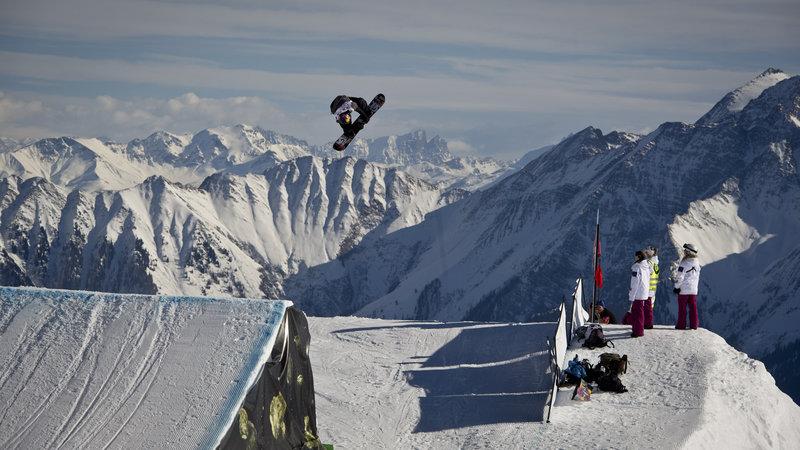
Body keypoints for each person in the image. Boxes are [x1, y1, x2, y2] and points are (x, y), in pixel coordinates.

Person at [674, 243, 701, 330]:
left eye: (685, 250)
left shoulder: (684, 263)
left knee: (682, 308)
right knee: (693, 308)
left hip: (684, 289)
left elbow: (679, 276)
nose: (684, 252)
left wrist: (677, 287)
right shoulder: (697, 263)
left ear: (689, 252)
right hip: (693, 289)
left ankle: (681, 325)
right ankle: (694, 325)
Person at [629, 250, 650, 337]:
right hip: (644, 292)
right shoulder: (646, 267)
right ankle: (637, 329)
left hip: (638, 293)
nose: (635, 257)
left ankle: (638, 331)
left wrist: (631, 295)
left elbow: (635, 282)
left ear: (639, 257)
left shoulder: (637, 267)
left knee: (637, 313)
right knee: (639, 312)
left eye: (636, 256)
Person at [644, 246, 659, 329]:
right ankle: (647, 322)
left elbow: (645, 275)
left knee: (647, 308)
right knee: (649, 308)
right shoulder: (655, 264)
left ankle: (647, 323)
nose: (645, 254)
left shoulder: (649, 264)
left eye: (646, 252)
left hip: (647, 288)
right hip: (653, 288)